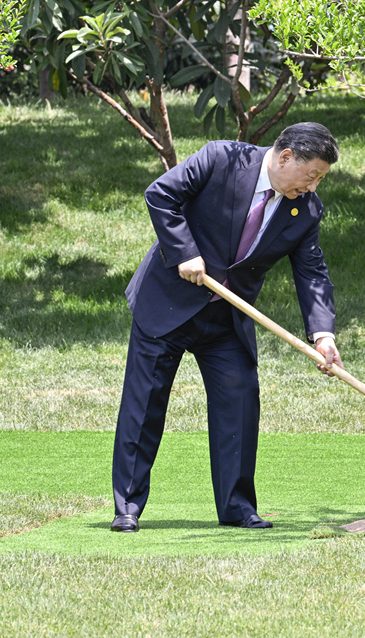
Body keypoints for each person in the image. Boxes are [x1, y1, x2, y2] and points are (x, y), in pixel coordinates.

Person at [111, 122, 342, 532]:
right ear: (285, 157)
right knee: (145, 405)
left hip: (227, 319)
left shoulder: (305, 209)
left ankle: (237, 507)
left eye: (320, 178)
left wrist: (323, 334)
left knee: (239, 403)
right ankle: (127, 506)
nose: (313, 186)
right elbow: (160, 195)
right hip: (167, 303)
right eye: (311, 175)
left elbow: (312, 272)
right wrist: (184, 251)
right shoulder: (221, 158)